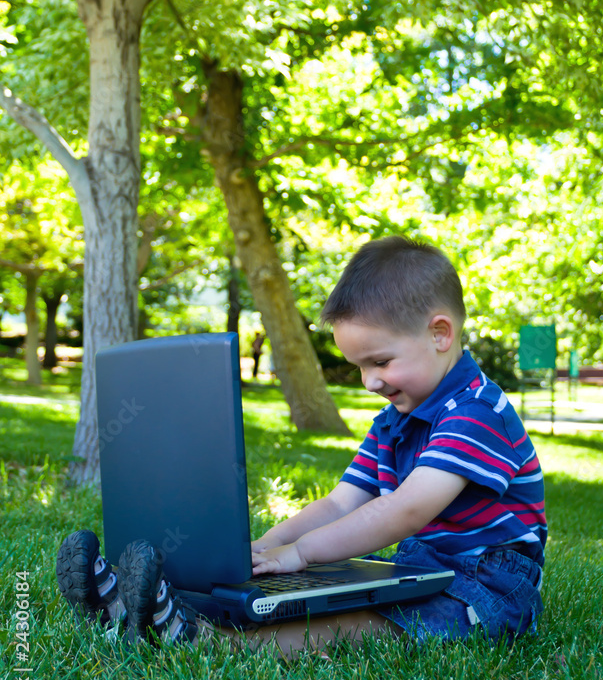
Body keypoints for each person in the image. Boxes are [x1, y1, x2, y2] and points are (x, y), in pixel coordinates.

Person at [56, 237, 546, 656]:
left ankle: (212, 640)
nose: (369, 381)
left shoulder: (476, 412)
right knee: (296, 583)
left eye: (380, 361)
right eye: (358, 366)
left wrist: (303, 553)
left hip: (488, 586)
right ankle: (129, 604)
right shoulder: (397, 418)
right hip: (417, 566)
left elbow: (406, 510)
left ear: (440, 334)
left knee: (373, 622)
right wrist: (265, 547)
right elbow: (340, 502)